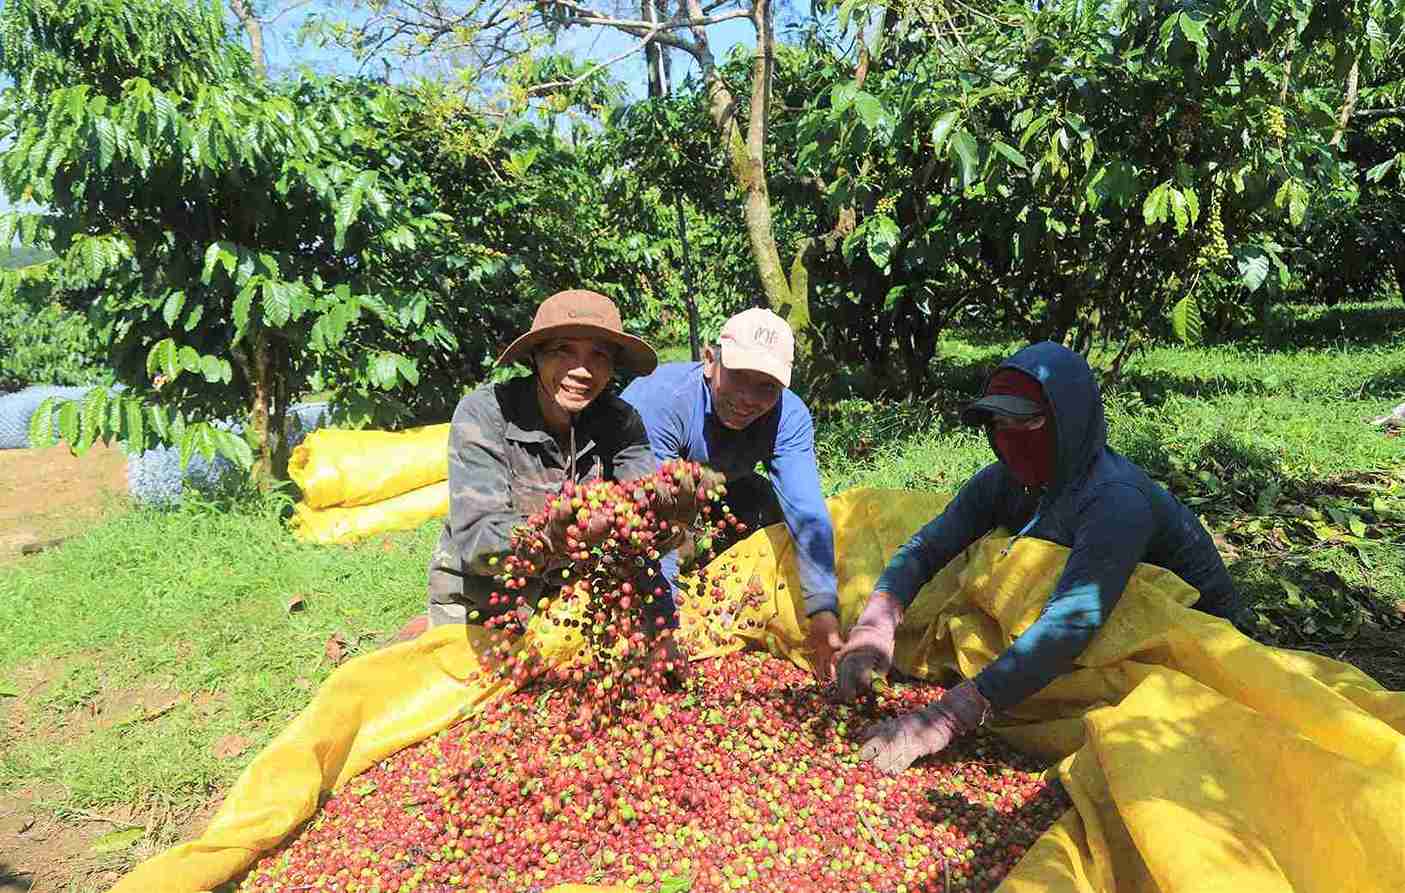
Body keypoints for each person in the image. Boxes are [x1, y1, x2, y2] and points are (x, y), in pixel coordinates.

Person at [836, 340, 1243, 773]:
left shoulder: (1115, 502)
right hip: (1080, 634)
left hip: (1179, 649)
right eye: (999, 422)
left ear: (1071, 422)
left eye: (1027, 422)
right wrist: (876, 623)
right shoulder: (1004, 482)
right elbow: (927, 547)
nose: (1011, 438)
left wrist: (947, 716)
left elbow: (1069, 626)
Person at [425, 289, 684, 657]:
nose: (582, 371)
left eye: (599, 355)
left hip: (571, 602)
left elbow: (641, 525)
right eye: (564, 351)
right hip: (483, 600)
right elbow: (477, 541)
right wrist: (549, 535)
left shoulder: (621, 423)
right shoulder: (485, 414)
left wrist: (668, 521)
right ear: (535, 356)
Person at [620, 308, 844, 682]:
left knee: (761, 504)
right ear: (710, 361)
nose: (748, 399)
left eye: (766, 388)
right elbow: (650, 521)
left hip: (721, 488)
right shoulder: (662, 402)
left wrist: (823, 616)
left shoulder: (788, 417)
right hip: (632, 493)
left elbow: (807, 514)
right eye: (738, 377)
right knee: (634, 555)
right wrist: (663, 624)